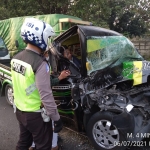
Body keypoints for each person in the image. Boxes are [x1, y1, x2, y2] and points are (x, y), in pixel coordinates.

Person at [11, 18, 63, 150]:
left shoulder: (16, 58)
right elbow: (46, 95)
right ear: (40, 37)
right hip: (36, 115)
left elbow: (22, 85)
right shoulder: (40, 63)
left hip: (20, 111)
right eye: (48, 38)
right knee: (43, 146)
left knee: (23, 143)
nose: (49, 41)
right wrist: (56, 118)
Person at [29, 50, 70, 150]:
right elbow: (47, 84)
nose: (48, 55)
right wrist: (60, 77)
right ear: (43, 53)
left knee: (34, 128)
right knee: (52, 124)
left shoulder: (30, 61)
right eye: (47, 53)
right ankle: (53, 146)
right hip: (41, 102)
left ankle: (32, 145)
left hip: (29, 103)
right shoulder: (41, 64)